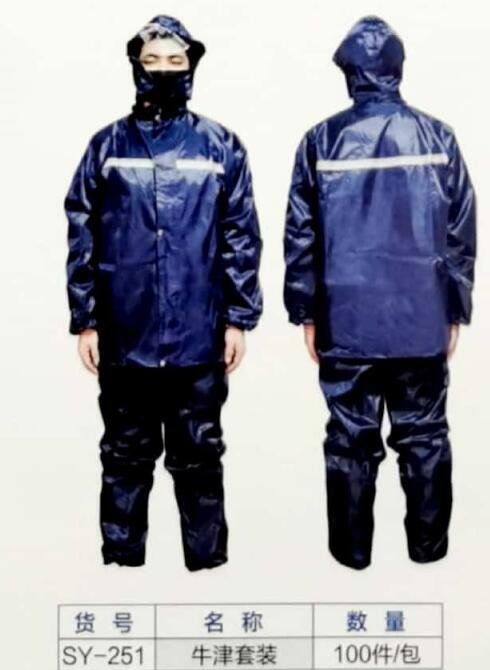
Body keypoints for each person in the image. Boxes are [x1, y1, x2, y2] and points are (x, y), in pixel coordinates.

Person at [65, 15, 262, 571]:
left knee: (199, 453)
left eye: (175, 61)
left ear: (192, 66)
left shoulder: (220, 145)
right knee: (124, 455)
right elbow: (81, 228)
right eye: (152, 60)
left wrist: (238, 319)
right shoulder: (107, 146)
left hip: (199, 333)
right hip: (125, 331)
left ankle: (206, 564)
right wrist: (85, 319)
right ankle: (122, 565)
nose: (163, 70)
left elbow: (241, 234)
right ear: (135, 65)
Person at [284, 16, 476, 569]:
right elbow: (460, 232)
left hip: (347, 321)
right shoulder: (438, 138)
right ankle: (429, 552)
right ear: (398, 67)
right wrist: (454, 309)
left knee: (350, 440)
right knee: (425, 436)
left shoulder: (321, 141)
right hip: (420, 318)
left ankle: (351, 556)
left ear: (347, 71)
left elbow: (302, 235)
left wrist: (307, 312)